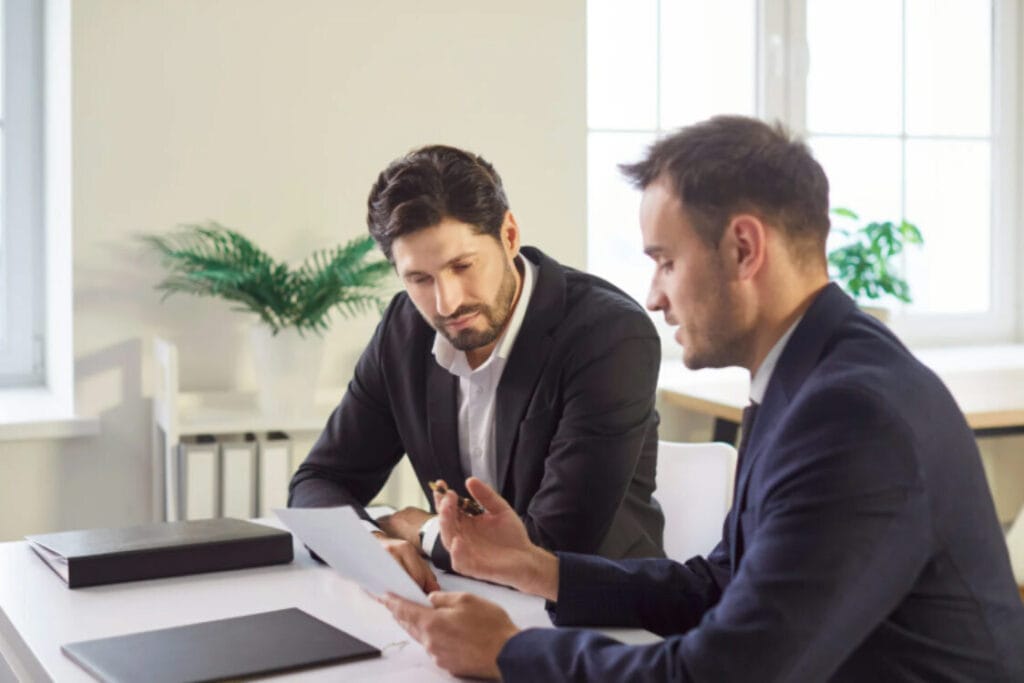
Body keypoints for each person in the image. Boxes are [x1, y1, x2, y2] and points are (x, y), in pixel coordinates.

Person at [380, 116, 1024, 681]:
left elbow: (722, 672)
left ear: (744, 249)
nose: (654, 296)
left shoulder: (852, 415)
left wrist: (509, 654)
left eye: (665, 261)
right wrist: (536, 567)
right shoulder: (810, 377)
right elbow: (722, 583)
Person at [289, 144, 665, 593]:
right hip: (464, 598)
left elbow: (551, 548)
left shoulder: (610, 335)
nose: (447, 303)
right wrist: (370, 540)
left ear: (508, 235)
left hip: (597, 618)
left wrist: (417, 528)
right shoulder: (405, 329)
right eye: (420, 279)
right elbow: (319, 481)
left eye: (462, 266)